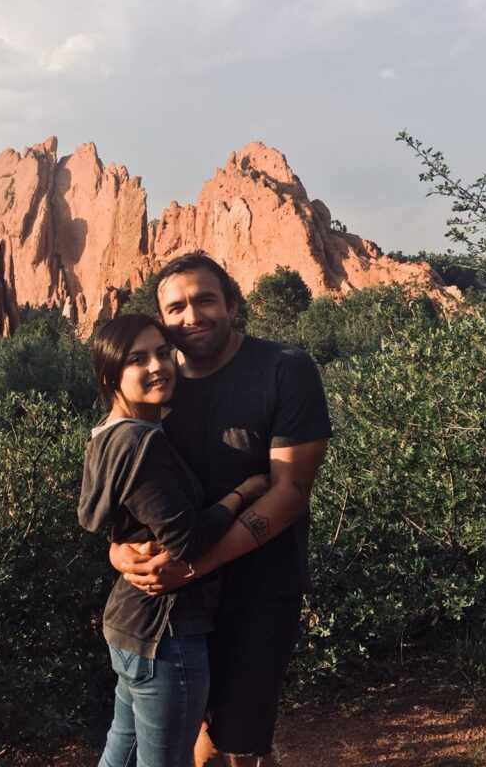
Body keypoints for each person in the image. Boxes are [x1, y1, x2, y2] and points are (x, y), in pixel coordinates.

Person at [109, 253, 332, 767]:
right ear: (160, 319)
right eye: (176, 307)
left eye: (205, 299)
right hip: (173, 603)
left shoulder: (284, 368)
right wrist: (119, 553)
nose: (192, 315)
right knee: (177, 738)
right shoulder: (158, 381)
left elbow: (291, 492)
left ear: (232, 302)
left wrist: (193, 564)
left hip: (259, 589)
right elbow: (125, 478)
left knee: (237, 744)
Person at [78, 313, 271, 767]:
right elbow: (189, 540)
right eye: (137, 359)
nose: (157, 366)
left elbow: (109, 521)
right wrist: (243, 493)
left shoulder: (107, 436)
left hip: (129, 627)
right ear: (112, 376)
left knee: (118, 756)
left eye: (163, 353)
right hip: (166, 633)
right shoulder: (143, 448)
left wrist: (116, 550)